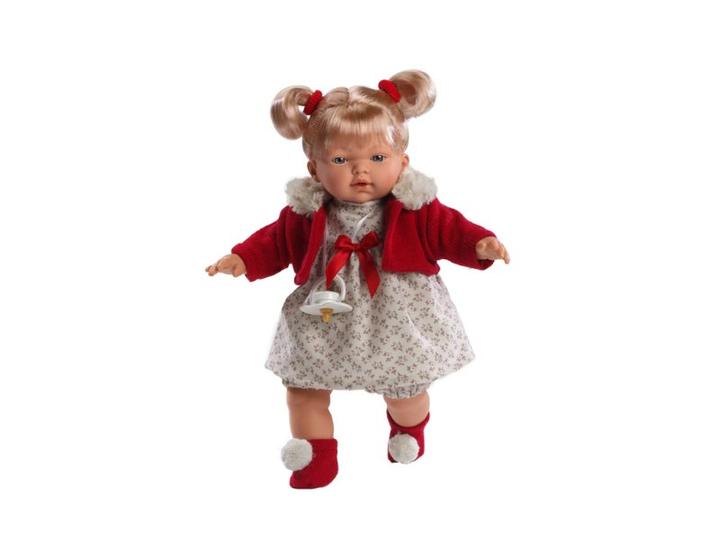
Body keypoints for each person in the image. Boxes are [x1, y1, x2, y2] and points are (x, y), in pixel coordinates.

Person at [206, 70, 510, 489]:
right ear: (314, 169)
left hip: (396, 321)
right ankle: (315, 456)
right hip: (323, 317)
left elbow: (451, 230)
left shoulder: (415, 209)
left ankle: (408, 427)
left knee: (406, 393)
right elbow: (274, 241)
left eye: (377, 158)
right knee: (302, 390)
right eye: (340, 160)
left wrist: (479, 244)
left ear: (403, 162)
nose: (360, 170)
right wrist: (242, 257)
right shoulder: (306, 212)